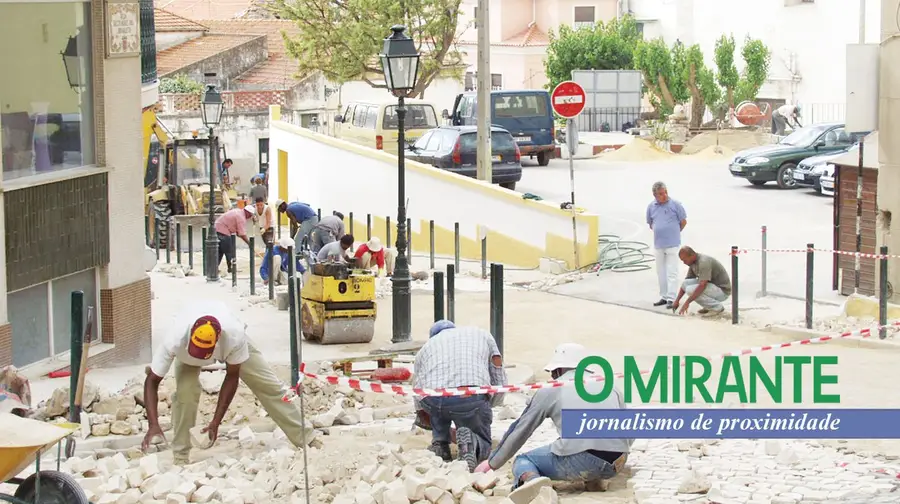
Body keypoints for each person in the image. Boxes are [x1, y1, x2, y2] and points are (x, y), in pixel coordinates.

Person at [140, 301, 317, 465]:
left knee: (267, 385)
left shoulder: (234, 336)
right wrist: (153, 425)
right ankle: (180, 456)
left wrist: (216, 422)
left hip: (232, 345)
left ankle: (306, 439)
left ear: (217, 340)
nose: (200, 357)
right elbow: (152, 381)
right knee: (185, 395)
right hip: (185, 356)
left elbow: (232, 377)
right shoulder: (174, 339)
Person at [474, 343, 632, 504]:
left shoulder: (552, 389)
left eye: (553, 372)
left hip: (584, 461)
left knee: (524, 460)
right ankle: (594, 479)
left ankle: (532, 483)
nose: (552, 377)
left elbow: (521, 429)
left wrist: (493, 462)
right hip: (617, 462)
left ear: (559, 369)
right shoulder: (609, 384)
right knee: (572, 445)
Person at [414, 320, 507, 471]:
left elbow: (417, 390)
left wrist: (423, 414)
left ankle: (440, 444)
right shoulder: (481, 334)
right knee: (482, 436)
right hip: (469, 396)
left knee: (437, 404)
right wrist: (489, 403)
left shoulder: (426, 348)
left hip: (433, 399)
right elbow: (497, 367)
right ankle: (474, 443)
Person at [646, 181, 686, 309]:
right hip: (659, 244)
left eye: (665, 193)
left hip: (673, 244)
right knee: (661, 271)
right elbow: (651, 223)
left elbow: (683, 222)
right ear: (655, 195)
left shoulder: (675, 204)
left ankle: (671, 298)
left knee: (671, 271)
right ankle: (664, 296)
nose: (664, 196)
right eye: (661, 194)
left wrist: (673, 232)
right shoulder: (651, 207)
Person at [672, 246, 732, 316]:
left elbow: (702, 285)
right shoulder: (692, 263)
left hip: (722, 291)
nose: (684, 263)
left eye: (684, 260)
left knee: (690, 290)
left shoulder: (703, 262)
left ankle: (717, 308)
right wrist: (677, 301)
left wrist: (687, 302)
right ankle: (708, 306)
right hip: (711, 287)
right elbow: (686, 282)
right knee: (686, 284)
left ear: (692, 255)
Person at [214, 205, 256, 274]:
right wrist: (249, 243)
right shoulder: (241, 217)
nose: (250, 217)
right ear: (248, 213)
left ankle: (213, 268)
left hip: (216, 228)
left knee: (220, 251)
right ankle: (231, 268)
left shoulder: (238, 211)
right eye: (250, 215)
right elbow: (242, 234)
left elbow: (239, 233)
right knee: (229, 250)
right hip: (223, 230)